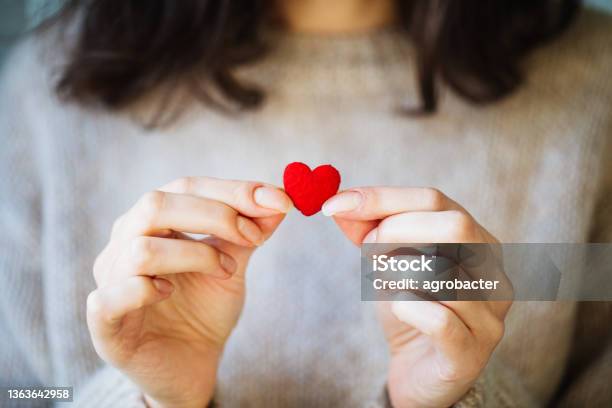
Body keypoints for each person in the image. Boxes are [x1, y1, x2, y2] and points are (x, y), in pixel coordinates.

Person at [1, 0, 611, 407]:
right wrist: (146, 396)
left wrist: (454, 397)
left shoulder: (596, 85)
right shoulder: (46, 91)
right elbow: (23, 395)